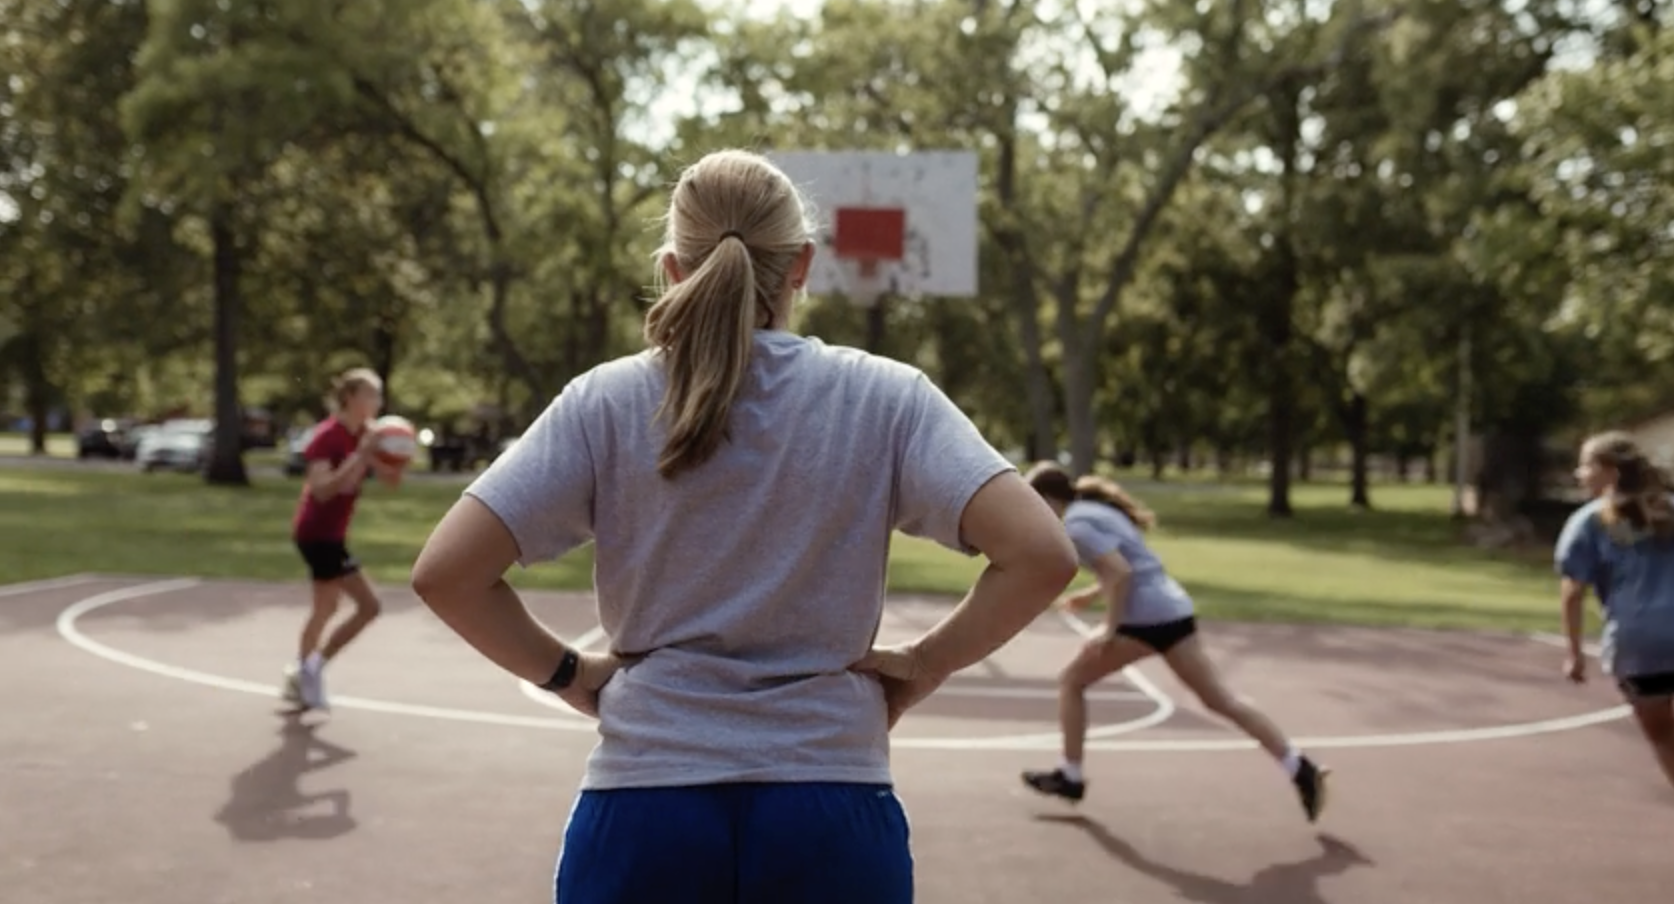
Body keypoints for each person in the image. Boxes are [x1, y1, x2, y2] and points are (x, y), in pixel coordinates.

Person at [408, 148, 1078, 904]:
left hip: (646, 804)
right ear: (803, 266)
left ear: (670, 269)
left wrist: (567, 675)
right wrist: (925, 664)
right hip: (831, 805)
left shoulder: (606, 401)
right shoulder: (885, 397)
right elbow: (1041, 555)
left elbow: (446, 573)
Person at [1018, 462, 1330, 822]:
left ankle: (1070, 776)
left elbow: (1120, 573)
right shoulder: (1095, 508)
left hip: (1145, 620)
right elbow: (1130, 566)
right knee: (1221, 700)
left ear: (1049, 498)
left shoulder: (1076, 524)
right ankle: (1299, 767)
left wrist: (1109, 628)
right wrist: (1091, 596)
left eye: (1035, 501)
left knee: (1072, 681)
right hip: (1173, 611)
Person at [1554, 431, 1674, 790]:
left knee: (1664, 737)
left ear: (1609, 471)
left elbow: (1573, 592)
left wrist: (1574, 654)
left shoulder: (1590, 522)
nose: (1579, 474)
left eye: (1586, 465)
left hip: (1640, 644)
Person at [281, 367, 401, 712]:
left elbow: (392, 481)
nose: (377, 402)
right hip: (316, 533)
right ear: (350, 398)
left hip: (333, 536)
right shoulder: (327, 436)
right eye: (371, 394)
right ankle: (307, 672)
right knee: (357, 606)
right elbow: (321, 491)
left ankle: (306, 672)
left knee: (336, 607)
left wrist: (395, 452)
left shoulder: (366, 435)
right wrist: (361, 456)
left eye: (379, 395)